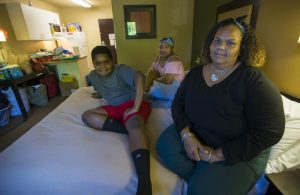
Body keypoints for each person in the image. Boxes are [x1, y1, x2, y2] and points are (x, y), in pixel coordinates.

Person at [156, 17, 285, 195]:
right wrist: (187, 136)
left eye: (230, 43)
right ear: (210, 43)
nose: (220, 47)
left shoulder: (254, 81)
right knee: (164, 147)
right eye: (217, 41)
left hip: (235, 150)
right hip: (197, 134)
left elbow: (271, 131)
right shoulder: (194, 74)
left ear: (242, 49)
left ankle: (204, 180)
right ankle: (203, 175)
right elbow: (178, 104)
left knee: (200, 190)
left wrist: (217, 155)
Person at [82, 46, 152, 195]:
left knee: (135, 126)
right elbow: (103, 89)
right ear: (93, 64)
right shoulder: (92, 76)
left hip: (133, 104)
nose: (102, 66)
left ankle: (145, 184)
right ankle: (130, 133)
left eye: (106, 62)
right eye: (98, 63)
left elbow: (140, 76)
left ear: (112, 61)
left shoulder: (121, 70)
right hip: (116, 108)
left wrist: (136, 106)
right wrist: (98, 95)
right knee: (87, 116)